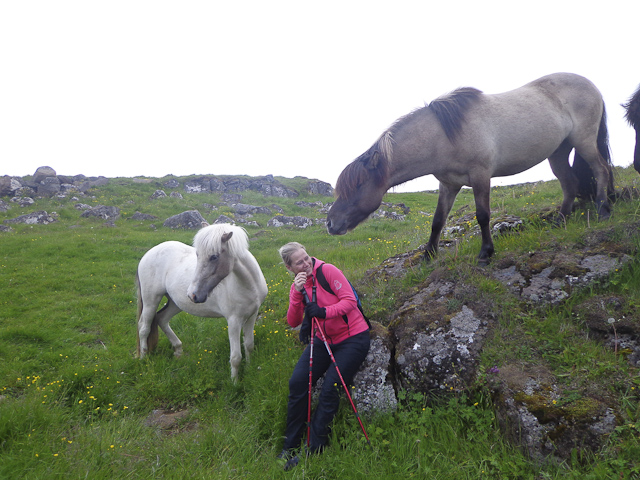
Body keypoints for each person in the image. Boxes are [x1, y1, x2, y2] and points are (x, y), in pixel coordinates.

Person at [277, 242, 370, 471]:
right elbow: (293, 321)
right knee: (298, 382)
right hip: (322, 340)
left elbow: (349, 301)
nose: (306, 263)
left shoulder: (327, 271)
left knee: (330, 389)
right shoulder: (297, 286)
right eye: (299, 262)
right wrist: (297, 295)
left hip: (353, 338)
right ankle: (291, 444)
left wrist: (324, 312)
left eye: (306, 257)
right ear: (290, 268)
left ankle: (314, 448)